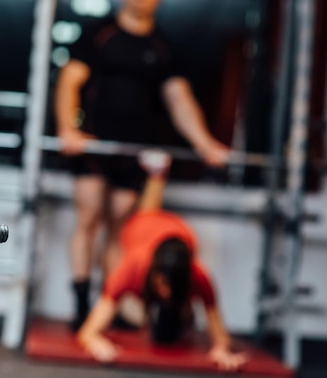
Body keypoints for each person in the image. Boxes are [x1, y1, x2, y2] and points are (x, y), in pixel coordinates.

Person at [54, 0, 230, 330]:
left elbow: (179, 101)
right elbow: (70, 81)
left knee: (121, 228)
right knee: (89, 217)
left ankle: (112, 301)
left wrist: (205, 144)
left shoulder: (162, 47)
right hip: (94, 142)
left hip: (134, 149)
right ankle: (82, 303)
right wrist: (67, 128)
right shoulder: (99, 34)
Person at [76, 150, 248, 372]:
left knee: (170, 322)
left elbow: (217, 325)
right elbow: (88, 331)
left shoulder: (197, 275)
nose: (165, 292)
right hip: (143, 228)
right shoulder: (133, 268)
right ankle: (157, 175)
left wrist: (221, 349)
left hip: (180, 233)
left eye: (169, 286)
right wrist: (94, 341)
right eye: (162, 284)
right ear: (155, 275)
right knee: (147, 212)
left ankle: (158, 174)